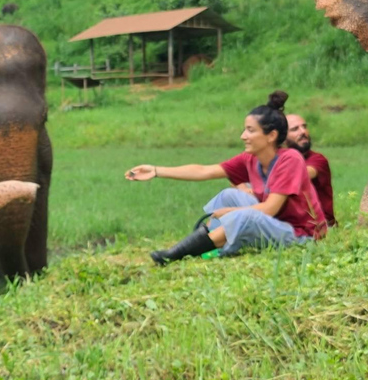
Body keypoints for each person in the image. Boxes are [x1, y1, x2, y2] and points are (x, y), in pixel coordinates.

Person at [125, 91, 327, 265]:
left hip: (302, 235)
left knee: (245, 215)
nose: (243, 136)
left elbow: (269, 209)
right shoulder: (250, 158)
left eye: (250, 130)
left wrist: (229, 213)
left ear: (271, 135)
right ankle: (209, 244)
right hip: (274, 222)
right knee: (229, 195)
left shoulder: (290, 159)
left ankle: (178, 254)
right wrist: (156, 170)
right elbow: (204, 171)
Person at [285, 114, 336, 227]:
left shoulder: (318, 159)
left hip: (320, 226)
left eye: (304, 127)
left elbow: (302, 175)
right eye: (295, 129)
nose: (303, 132)